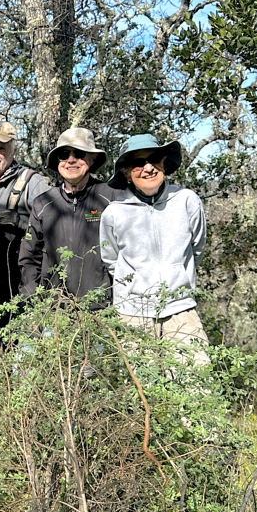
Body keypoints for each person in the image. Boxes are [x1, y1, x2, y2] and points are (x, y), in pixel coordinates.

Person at [100, 133, 210, 368]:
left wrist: (179, 276)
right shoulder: (114, 212)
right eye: (138, 163)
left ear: (164, 164)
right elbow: (111, 260)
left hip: (180, 307)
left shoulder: (186, 201)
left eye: (154, 160)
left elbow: (197, 247)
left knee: (196, 383)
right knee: (145, 390)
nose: (148, 168)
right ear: (127, 173)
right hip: (132, 312)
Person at [19, 127, 118, 306]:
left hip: (102, 308)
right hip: (54, 310)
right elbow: (29, 256)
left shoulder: (111, 197)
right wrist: (33, 300)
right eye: (64, 154)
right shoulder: (43, 203)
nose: (71, 160)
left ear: (92, 158)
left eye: (79, 153)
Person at [0, 121, 49, 340]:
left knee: (23, 357)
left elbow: (53, 233)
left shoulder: (32, 183)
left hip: (21, 288)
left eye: (0, 149)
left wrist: (22, 224)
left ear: (14, 149)